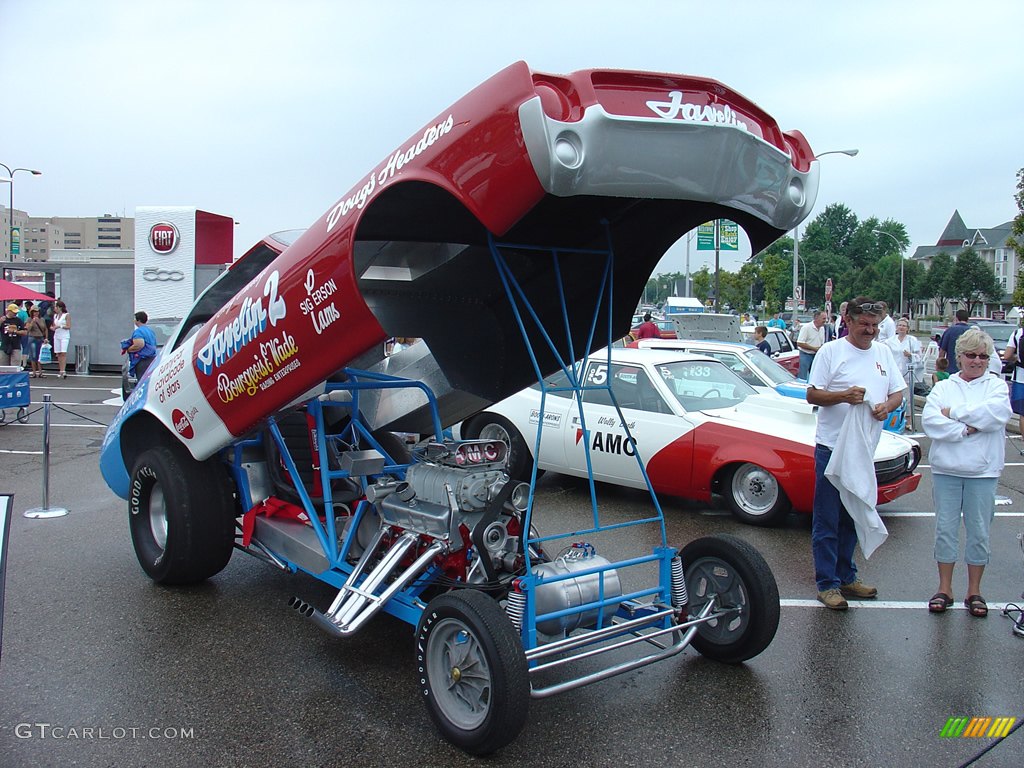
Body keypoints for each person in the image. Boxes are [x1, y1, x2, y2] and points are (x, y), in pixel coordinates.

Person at [805, 298, 906, 610]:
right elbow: (813, 394)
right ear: (848, 320)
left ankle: (847, 575)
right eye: (864, 324)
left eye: (875, 325)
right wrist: (844, 397)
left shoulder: (883, 353)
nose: (870, 330)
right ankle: (827, 583)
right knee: (828, 518)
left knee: (853, 513)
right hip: (832, 448)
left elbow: (898, 393)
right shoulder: (830, 352)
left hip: (863, 448)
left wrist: (886, 408)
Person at [922, 328, 1011, 617]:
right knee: (945, 531)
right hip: (947, 470)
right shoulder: (943, 387)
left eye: (983, 356)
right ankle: (944, 588)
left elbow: (997, 415)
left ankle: (975, 591)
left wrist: (953, 413)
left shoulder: (996, 387)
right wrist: (966, 427)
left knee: (979, 533)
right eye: (971, 355)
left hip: (983, 472)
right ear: (959, 357)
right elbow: (932, 422)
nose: (976, 361)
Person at [885, 317, 922, 424]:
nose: (901, 327)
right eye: (899, 325)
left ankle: (908, 420)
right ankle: (892, 420)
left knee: (907, 398)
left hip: (907, 373)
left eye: (904, 326)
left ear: (908, 329)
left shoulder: (912, 340)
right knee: (892, 396)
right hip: (894, 372)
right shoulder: (890, 341)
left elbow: (919, 357)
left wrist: (911, 355)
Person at [125, 311, 159, 381]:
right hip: (152, 358)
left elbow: (139, 345)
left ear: (138, 320)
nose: (134, 321)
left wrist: (129, 349)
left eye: (135, 319)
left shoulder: (139, 331)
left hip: (142, 360)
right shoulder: (150, 330)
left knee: (142, 381)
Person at [1004, 322, 1024, 437]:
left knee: (1023, 414)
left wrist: (1016, 358)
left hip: (1021, 378)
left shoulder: (1017, 333)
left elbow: (1007, 356)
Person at [796, 310, 827, 379]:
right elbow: (800, 343)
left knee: (816, 375)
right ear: (816, 318)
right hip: (805, 354)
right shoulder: (806, 327)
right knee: (803, 375)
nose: (825, 320)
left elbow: (822, 343)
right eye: (823, 318)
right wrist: (814, 348)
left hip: (816, 355)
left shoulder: (822, 329)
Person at [937, 309, 970, 374]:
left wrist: (940, 369)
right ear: (967, 319)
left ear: (956, 318)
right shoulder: (972, 332)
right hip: (967, 370)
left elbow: (942, 352)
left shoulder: (950, 330)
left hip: (951, 370)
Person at [25, 307, 49, 378]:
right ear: (31, 312)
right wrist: (32, 322)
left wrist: (46, 338)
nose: (36, 313)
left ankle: (40, 372)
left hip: (40, 338)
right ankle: (34, 372)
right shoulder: (29, 319)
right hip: (32, 338)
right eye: (34, 312)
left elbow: (45, 329)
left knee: (40, 356)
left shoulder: (42, 319)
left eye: (37, 311)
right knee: (33, 355)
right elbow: (28, 329)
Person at [50, 299, 71, 378]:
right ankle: (60, 370)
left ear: (60, 307)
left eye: (56, 307)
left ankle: (63, 370)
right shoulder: (55, 316)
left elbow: (69, 326)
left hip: (64, 336)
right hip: (57, 335)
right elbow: (53, 325)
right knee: (58, 353)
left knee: (63, 353)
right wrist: (52, 327)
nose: (55, 309)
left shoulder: (66, 315)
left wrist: (60, 326)